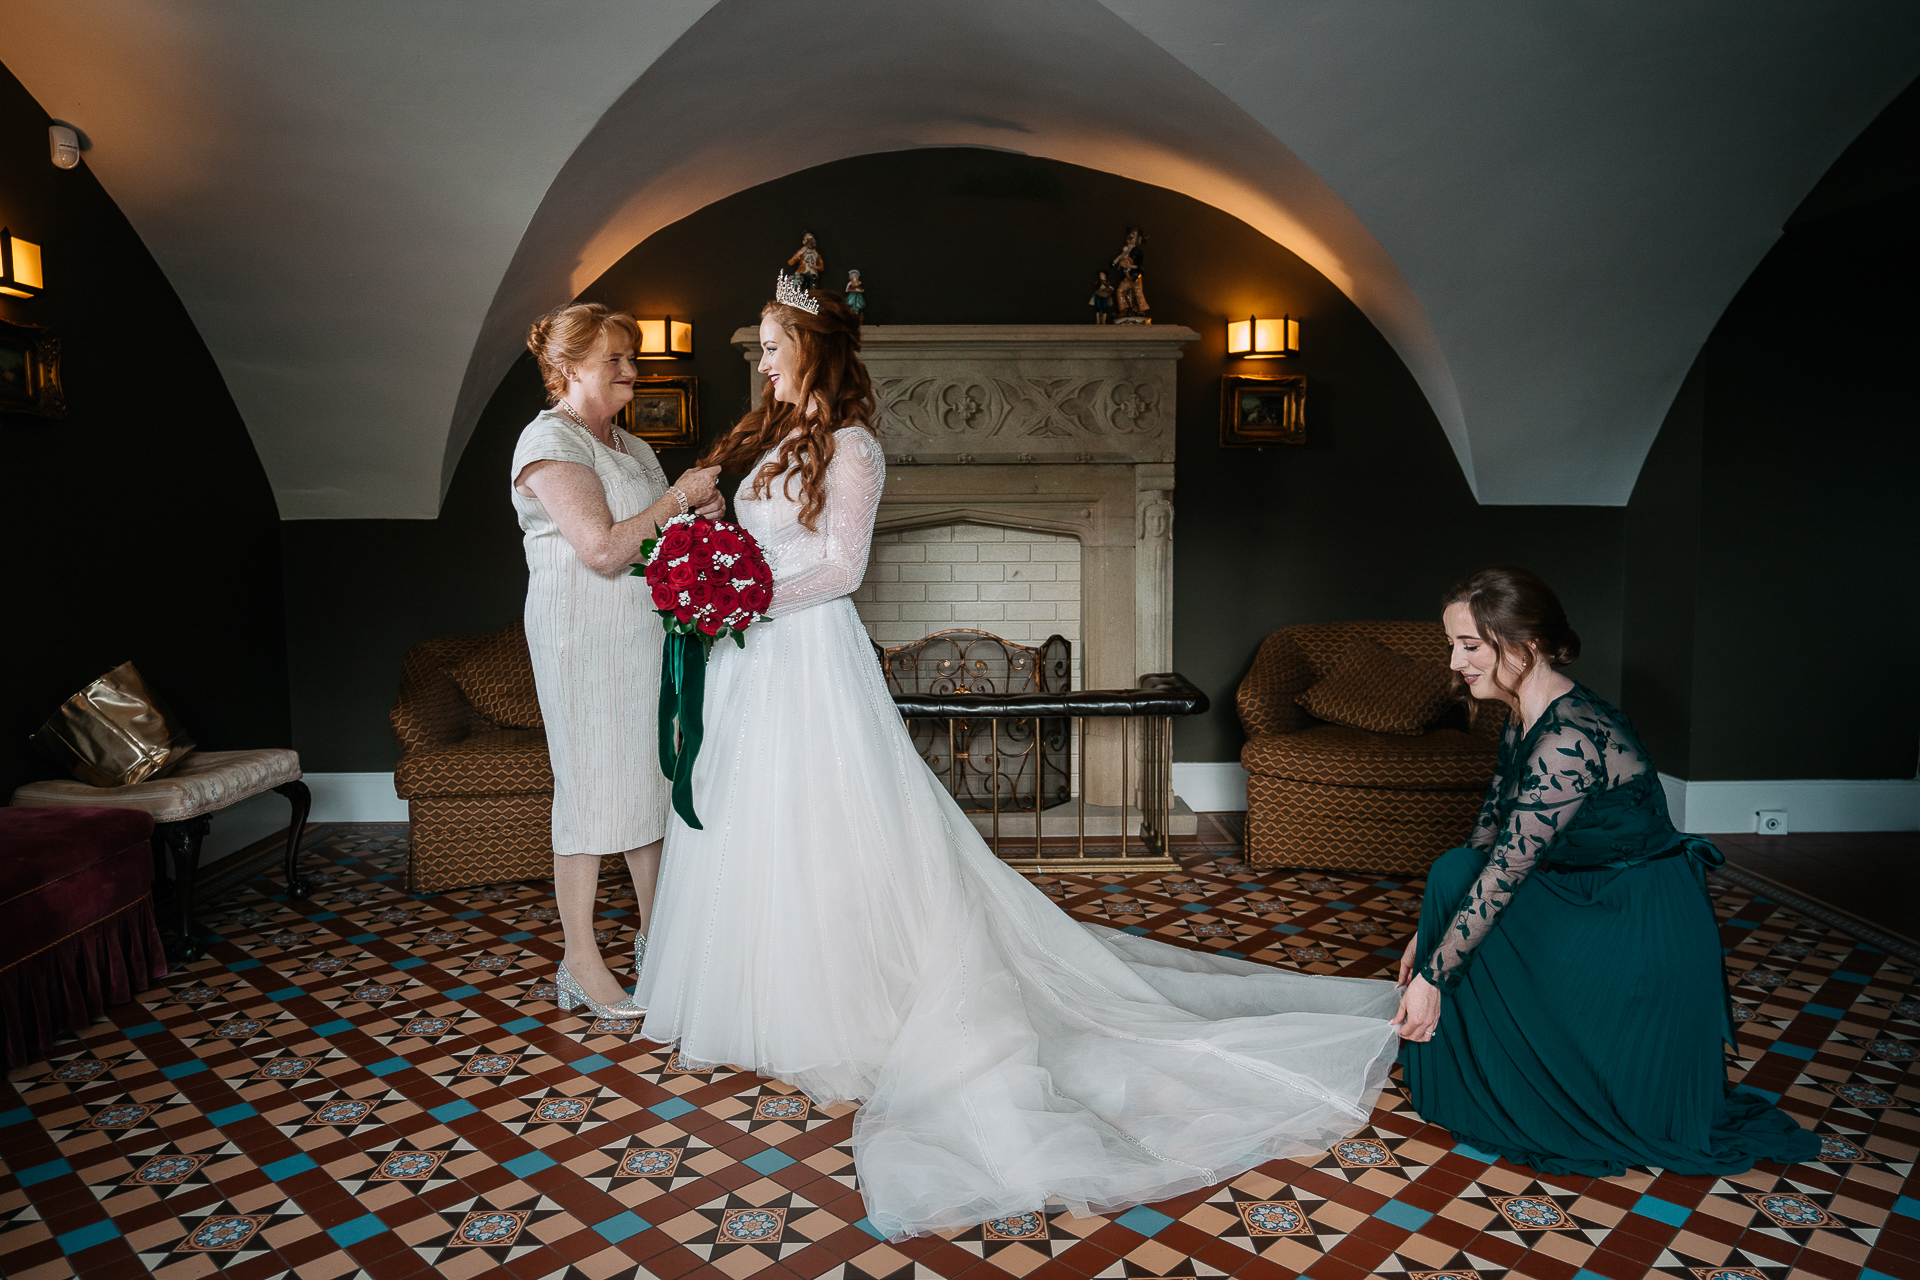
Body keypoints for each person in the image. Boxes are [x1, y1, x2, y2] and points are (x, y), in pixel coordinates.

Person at [634, 275, 1401, 1240]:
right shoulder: (757, 437)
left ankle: (840, 1000)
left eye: (777, 340)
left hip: (808, 655)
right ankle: (749, 997)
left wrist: (744, 596)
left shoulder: (856, 448)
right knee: (752, 815)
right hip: (750, 663)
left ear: (816, 346)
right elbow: (742, 535)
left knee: (825, 817)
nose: (765, 355)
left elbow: (840, 568)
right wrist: (707, 566)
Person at [1391, 567, 1819, 1176]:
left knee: (1463, 890)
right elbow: (1488, 832)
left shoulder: (1569, 736)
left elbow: (1507, 872)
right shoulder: (1523, 712)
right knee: (1453, 869)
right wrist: (1429, 934)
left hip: (1633, 915)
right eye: (1452, 644)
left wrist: (1435, 975)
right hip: (1579, 888)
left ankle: (1545, 1081)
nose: (1454, 661)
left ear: (1526, 646)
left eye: (1469, 645)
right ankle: (1478, 1071)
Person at [511, 303, 723, 1017]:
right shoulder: (548, 442)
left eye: (633, 358)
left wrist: (702, 520)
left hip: (645, 638)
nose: (632, 371)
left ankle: (658, 939)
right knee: (590, 790)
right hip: (583, 642)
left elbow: (657, 539)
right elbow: (603, 549)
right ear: (568, 369)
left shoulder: (631, 447)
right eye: (615, 361)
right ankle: (579, 962)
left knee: (648, 786)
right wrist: (677, 498)